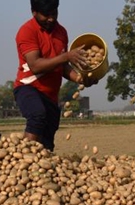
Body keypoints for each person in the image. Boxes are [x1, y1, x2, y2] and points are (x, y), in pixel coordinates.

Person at [14, 0, 94, 151]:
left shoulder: (61, 32)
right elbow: (35, 65)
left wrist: (80, 78)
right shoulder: (27, 31)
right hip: (28, 87)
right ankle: (22, 159)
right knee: (37, 115)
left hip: (51, 95)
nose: (51, 18)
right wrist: (66, 57)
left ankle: (43, 168)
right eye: (46, 15)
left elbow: (62, 66)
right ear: (34, 12)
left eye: (54, 13)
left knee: (48, 140)